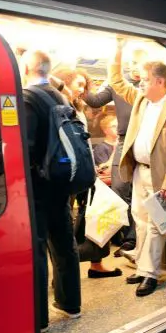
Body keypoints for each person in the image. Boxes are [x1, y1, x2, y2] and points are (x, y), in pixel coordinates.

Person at [110, 37, 166, 297]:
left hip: (162, 176)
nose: (140, 83)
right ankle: (142, 268)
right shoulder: (142, 100)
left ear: (160, 82)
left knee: (157, 223)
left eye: (144, 79)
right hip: (140, 171)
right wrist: (118, 50)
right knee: (140, 220)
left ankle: (150, 274)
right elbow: (117, 83)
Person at [21, 51, 82, 331]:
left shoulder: (27, 98)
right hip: (62, 182)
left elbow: (28, 145)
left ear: (26, 68)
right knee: (64, 241)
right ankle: (71, 305)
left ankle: (39, 318)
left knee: (37, 247)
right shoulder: (62, 96)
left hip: (38, 184)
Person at [52, 67, 122, 279]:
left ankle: (96, 264)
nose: (82, 90)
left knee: (96, 215)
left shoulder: (79, 108)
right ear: (65, 82)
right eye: (78, 84)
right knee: (65, 223)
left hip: (85, 171)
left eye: (85, 85)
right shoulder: (57, 106)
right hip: (69, 172)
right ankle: (61, 274)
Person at [83, 47, 149, 254]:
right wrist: (81, 86)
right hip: (124, 140)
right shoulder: (118, 84)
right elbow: (95, 101)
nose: (138, 69)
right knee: (120, 189)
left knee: (145, 189)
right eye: (135, 64)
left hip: (146, 138)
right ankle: (130, 236)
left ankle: (145, 235)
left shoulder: (150, 85)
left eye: (142, 64)